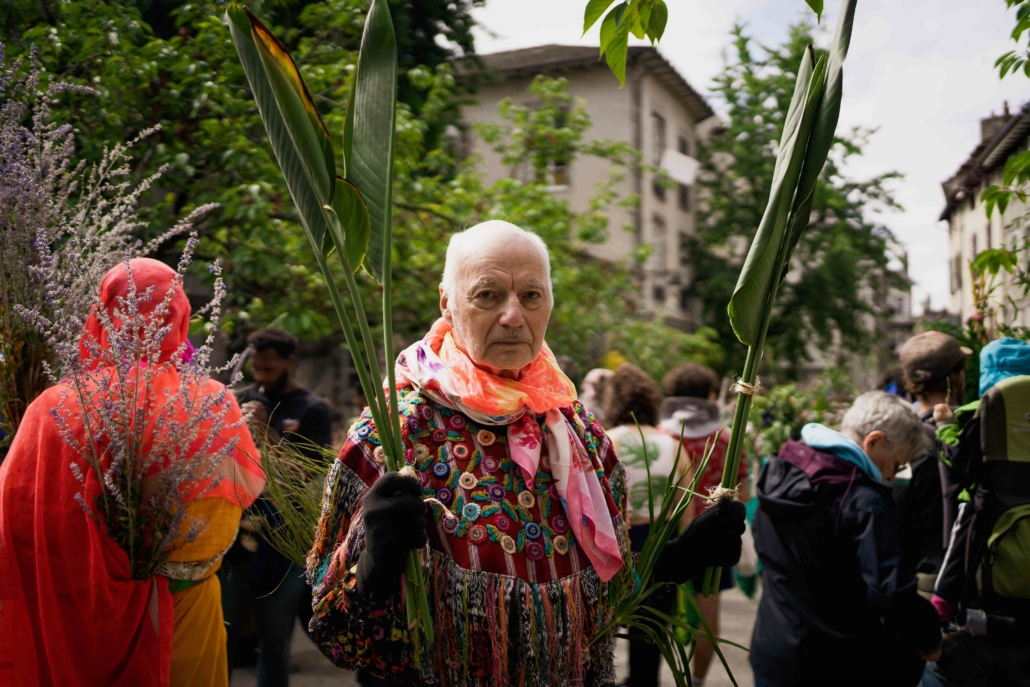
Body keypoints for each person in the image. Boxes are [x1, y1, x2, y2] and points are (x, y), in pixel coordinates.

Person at [306, 220, 746, 686]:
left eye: (531, 296)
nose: (513, 316)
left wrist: (681, 557)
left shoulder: (579, 431)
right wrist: (374, 565)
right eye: (488, 295)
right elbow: (334, 635)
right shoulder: (393, 432)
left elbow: (606, 602)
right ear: (447, 303)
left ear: (549, 304)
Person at [0, 259, 265, 686]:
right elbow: (228, 510)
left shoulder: (52, 408)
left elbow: (15, 527)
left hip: (73, 625)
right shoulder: (213, 404)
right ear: (179, 317)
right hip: (185, 616)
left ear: (103, 315)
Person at [750, 391, 943, 687]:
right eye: (897, 463)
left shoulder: (779, 470)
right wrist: (930, 635)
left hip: (775, 651)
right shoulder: (862, 500)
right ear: (874, 441)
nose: (892, 476)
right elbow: (889, 592)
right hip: (836, 664)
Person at [221, 327, 333, 687]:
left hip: (285, 542)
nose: (262, 375)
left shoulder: (312, 409)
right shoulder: (238, 399)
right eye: (256, 368)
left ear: (289, 363)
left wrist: (268, 431)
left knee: (274, 642)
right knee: (222, 637)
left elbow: (310, 474)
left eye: (269, 368)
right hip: (235, 538)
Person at [925, 338, 1030, 687]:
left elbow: (958, 464)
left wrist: (944, 427)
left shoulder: (974, 413)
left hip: (986, 527)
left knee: (967, 523)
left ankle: (938, 611)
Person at [658, 362, 749, 687]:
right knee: (708, 622)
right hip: (715, 538)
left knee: (655, 616)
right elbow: (744, 491)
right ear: (710, 396)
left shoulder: (661, 436)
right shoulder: (726, 438)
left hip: (665, 539)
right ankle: (694, 682)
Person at [604, 363, 686, 687]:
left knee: (604, 627)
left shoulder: (606, 440)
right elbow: (687, 504)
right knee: (650, 629)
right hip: (664, 539)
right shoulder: (673, 443)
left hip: (618, 541)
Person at [897, 331, 971, 593]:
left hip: (911, 583)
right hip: (958, 582)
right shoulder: (969, 432)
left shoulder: (896, 436)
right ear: (956, 378)